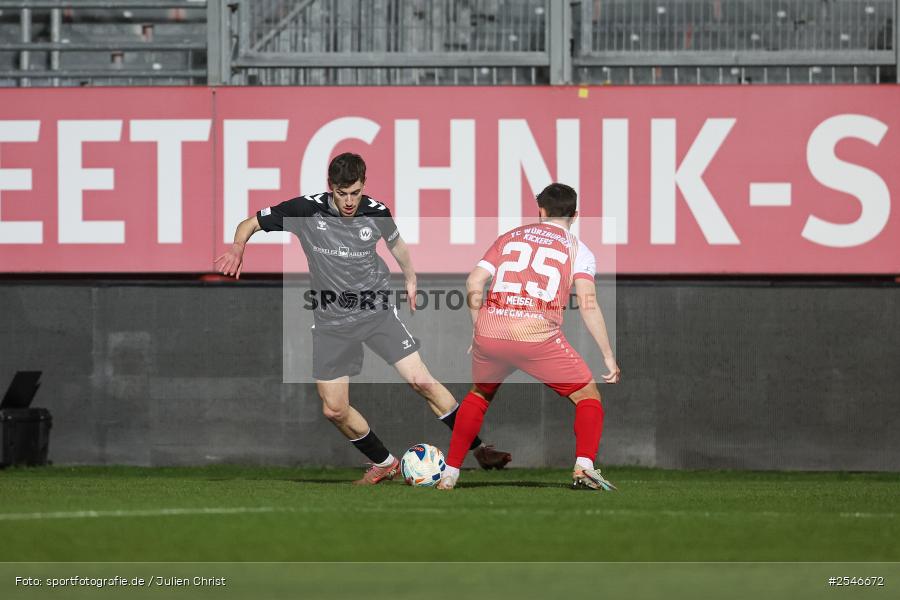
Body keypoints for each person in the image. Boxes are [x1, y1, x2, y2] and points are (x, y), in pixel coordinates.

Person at [214, 153, 510, 484]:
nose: (350, 201)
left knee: (421, 381)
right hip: (331, 323)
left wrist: (411, 279)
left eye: (355, 192)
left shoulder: (377, 211)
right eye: (342, 194)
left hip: (376, 311)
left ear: (363, 185)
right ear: (331, 188)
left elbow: (397, 245)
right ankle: (385, 462)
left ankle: (479, 447)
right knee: (334, 410)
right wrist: (238, 247)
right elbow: (250, 223)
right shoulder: (306, 211)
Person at [437, 183, 621, 491]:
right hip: (536, 335)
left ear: (541, 211)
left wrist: (477, 327)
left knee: (479, 396)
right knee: (587, 396)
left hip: (492, 331)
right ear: (575, 215)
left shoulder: (509, 237)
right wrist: (607, 355)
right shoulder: (579, 250)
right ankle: (584, 466)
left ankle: (451, 472)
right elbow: (588, 304)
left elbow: (474, 281)